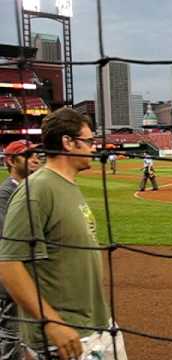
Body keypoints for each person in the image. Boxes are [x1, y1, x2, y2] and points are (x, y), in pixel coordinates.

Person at [0, 108, 128, 360]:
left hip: (96, 326)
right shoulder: (38, 190)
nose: (93, 147)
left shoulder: (66, 185)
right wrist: (52, 323)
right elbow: (9, 264)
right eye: (89, 141)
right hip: (66, 337)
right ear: (67, 142)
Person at [0, 140, 40, 360]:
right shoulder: (5, 194)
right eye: (28, 155)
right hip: (12, 278)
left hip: (31, 274)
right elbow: (10, 240)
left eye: (36, 154)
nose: (35, 158)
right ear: (10, 161)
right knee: (11, 333)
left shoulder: (32, 190)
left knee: (29, 331)